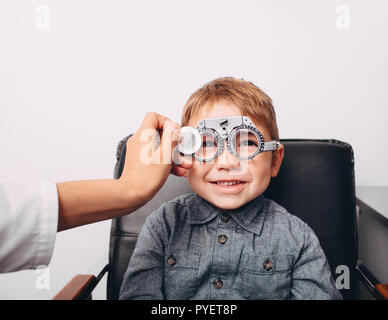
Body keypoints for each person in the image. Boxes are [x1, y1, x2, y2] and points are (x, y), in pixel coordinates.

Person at [119, 77, 343, 300]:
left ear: (275, 160)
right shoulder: (164, 225)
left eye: (247, 143)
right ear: (184, 156)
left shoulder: (298, 238)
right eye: (206, 144)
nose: (227, 162)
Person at [0, 112, 191, 273]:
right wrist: (130, 188)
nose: (222, 162)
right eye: (207, 143)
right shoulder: (163, 222)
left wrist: (129, 188)